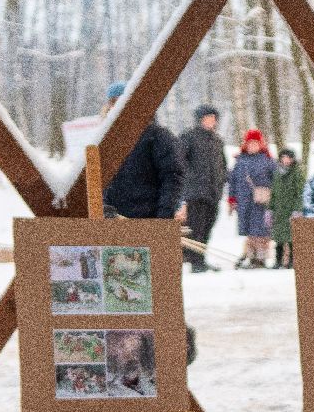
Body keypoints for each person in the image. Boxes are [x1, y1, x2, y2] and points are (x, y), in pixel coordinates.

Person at [100, 83, 185, 224]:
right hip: (114, 224)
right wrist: (103, 206)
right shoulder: (106, 141)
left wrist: (164, 216)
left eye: (123, 101)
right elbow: (99, 181)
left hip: (149, 221)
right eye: (113, 103)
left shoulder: (157, 135)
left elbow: (173, 176)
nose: (118, 107)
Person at [178, 105, 228, 273]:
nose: (211, 121)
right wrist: (187, 184)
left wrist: (222, 182)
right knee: (195, 228)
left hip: (213, 193)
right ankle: (194, 261)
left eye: (214, 118)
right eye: (208, 117)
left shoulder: (217, 141)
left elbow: (223, 165)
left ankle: (200, 257)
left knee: (208, 226)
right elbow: (179, 163)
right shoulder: (189, 137)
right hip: (195, 192)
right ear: (200, 119)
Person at [227, 129, 276, 269]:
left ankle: (261, 258)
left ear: (261, 144)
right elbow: (233, 181)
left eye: (255, 143)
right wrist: (232, 199)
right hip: (244, 202)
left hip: (261, 202)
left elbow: (275, 181)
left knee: (261, 231)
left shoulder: (268, 160)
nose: (253, 146)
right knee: (249, 232)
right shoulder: (239, 161)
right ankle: (251, 256)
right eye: (250, 143)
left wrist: (273, 198)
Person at [269, 148, 304, 269]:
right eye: (283, 157)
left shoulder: (297, 173)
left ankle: (291, 261)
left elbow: (300, 193)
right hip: (279, 211)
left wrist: (297, 209)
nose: (286, 160)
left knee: (291, 238)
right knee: (278, 238)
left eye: (288, 158)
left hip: (291, 210)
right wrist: (270, 209)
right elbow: (273, 193)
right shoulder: (277, 174)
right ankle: (278, 260)